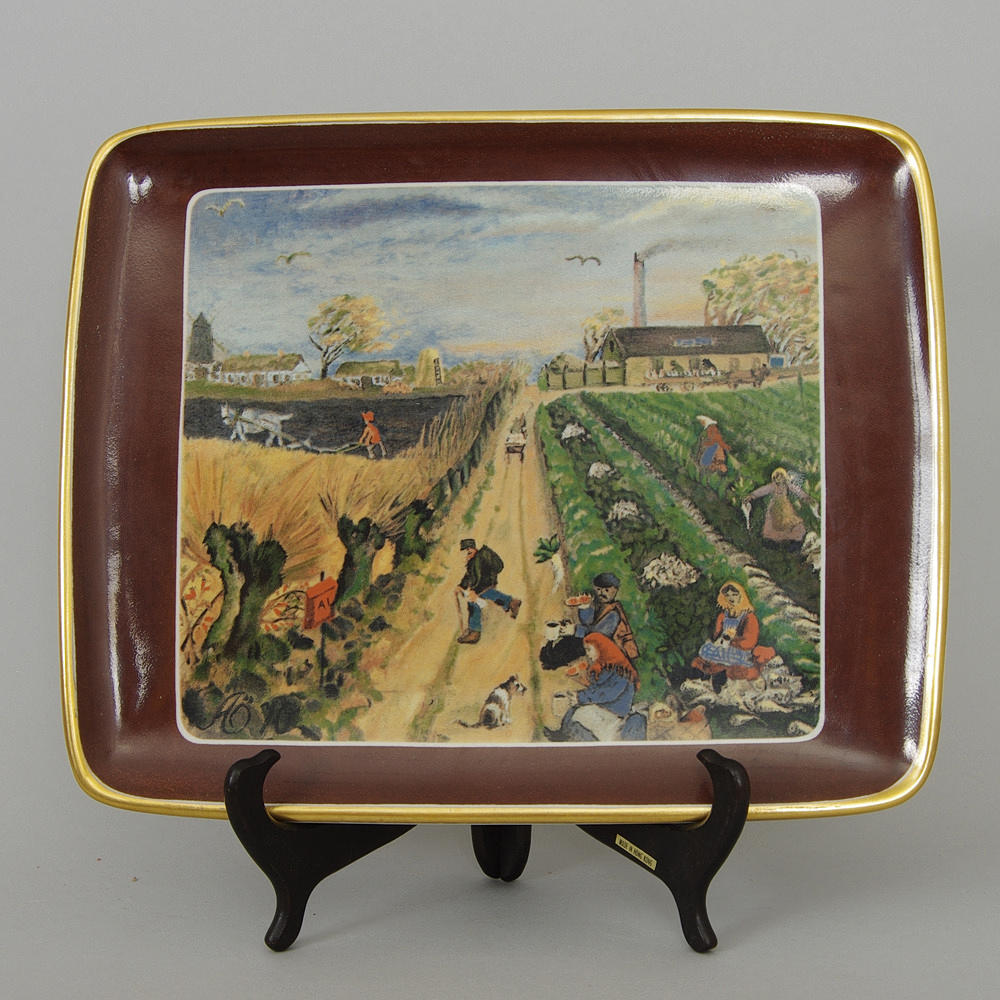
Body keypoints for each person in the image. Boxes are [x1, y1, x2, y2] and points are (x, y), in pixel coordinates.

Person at [544, 632, 644, 741]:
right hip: (603, 709)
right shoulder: (604, 667)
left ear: (600, 648)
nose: (587, 654)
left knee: (578, 716)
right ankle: (561, 734)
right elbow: (596, 690)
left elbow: (606, 694)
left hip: (613, 714)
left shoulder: (621, 671)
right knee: (574, 711)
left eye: (589, 650)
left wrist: (580, 697)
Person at [689, 581, 776, 690]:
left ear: (741, 596)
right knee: (706, 650)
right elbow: (717, 635)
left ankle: (720, 677)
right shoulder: (723, 615)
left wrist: (732, 640)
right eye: (728, 595)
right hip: (722, 646)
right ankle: (707, 678)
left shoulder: (748, 617)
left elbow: (750, 641)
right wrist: (717, 640)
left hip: (739, 650)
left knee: (726, 660)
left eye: (734, 595)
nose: (731, 598)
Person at [454, 538, 521, 644]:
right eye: (466, 551)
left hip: (486, 584)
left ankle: (474, 632)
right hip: (483, 586)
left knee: (473, 603)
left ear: (472, 548)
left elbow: (480, 578)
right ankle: (512, 602)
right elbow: (469, 576)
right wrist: (461, 586)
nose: (466, 554)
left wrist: (474, 591)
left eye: (468, 550)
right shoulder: (473, 561)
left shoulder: (481, 558)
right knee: (490, 595)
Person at [567, 572, 639, 665]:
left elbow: (598, 635)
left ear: (615, 590)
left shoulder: (614, 613)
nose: (602, 593)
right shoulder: (600, 606)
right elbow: (587, 623)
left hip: (616, 658)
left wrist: (575, 629)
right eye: (598, 589)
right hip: (599, 649)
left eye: (607, 590)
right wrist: (585, 607)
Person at [744, 467, 814, 546]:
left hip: (785, 507)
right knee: (773, 522)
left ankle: (789, 539)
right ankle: (775, 542)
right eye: (777, 477)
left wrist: (805, 497)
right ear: (774, 478)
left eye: (781, 477)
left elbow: (797, 490)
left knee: (789, 522)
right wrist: (752, 495)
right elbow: (762, 490)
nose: (779, 479)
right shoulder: (773, 486)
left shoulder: (787, 485)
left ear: (784, 478)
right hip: (775, 506)